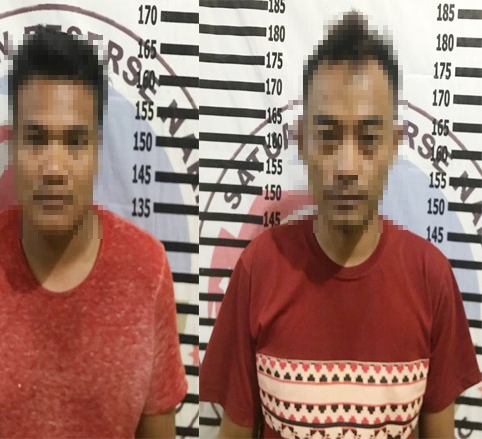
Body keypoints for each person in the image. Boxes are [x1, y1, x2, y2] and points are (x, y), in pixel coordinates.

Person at [199, 11, 481, 439]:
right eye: (328, 136)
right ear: (302, 142)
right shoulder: (260, 269)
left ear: (393, 146)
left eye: (368, 140)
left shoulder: (431, 278)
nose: (346, 167)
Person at [0, 25, 188, 438]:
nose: (54, 168)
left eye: (74, 142)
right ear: (13, 145)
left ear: (97, 150)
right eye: (36, 140)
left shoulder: (146, 270)